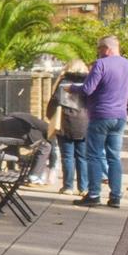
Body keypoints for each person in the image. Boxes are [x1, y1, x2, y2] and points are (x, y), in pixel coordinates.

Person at [80, 36, 128, 207]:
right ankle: (115, 196)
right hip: (120, 117)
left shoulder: (101, 64)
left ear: (107, 48)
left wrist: (73, 88)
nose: (98, 52)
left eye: (99, 49)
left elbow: (87, 89)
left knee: (94, 155)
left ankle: (94, 194)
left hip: (100, 115)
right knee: (114, 157)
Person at [46, 58, 90, 197]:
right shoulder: (89, 82)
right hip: (85, 122)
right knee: (82, 157)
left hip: (66, 121)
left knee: (67, 157)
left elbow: (54, 102)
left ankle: (68, 186)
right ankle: (83, 187)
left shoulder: (63, 82)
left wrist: (50, 116)